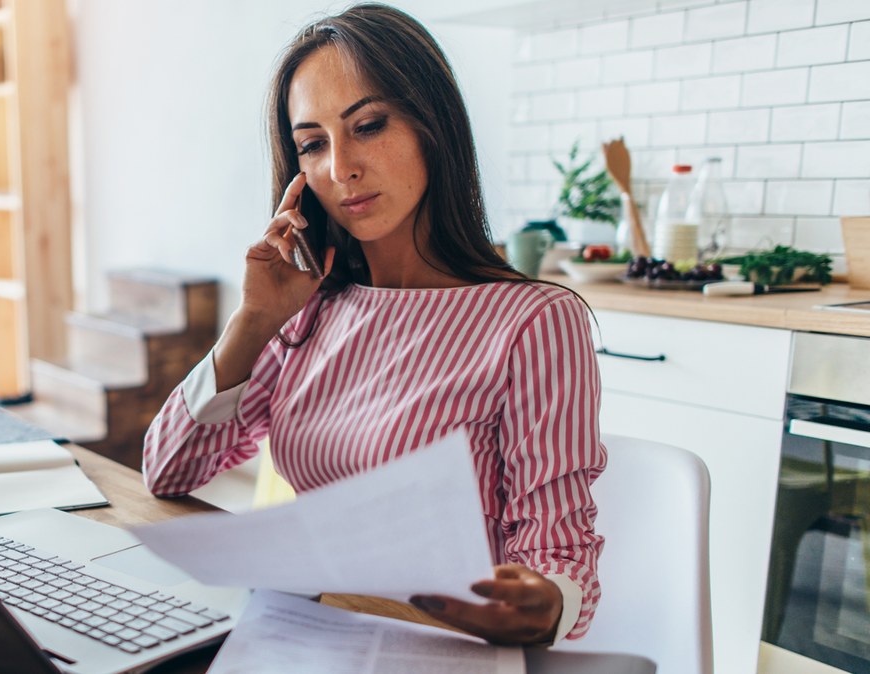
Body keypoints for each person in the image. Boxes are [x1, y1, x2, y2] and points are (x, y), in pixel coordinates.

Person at [141, 3, 604, 647]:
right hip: (301, 637)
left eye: (369, 125)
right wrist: (253, 322)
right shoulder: (312, 308)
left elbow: (558, 551)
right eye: (312, 143)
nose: (340, 168)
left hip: (437, 648)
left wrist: (546, 602)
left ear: (431, 125)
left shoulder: (534, 322)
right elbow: (167, 472)